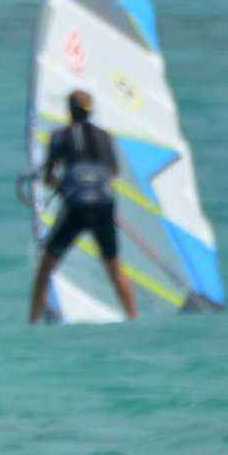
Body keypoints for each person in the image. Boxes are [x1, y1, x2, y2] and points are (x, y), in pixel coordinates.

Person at [28, 90, 138, 323]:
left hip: (76, 205)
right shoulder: (105, 136)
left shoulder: (59, 136)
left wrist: (63, 184)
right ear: (91, 111)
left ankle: (33, 322)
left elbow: (49, 178)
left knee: (46, 268)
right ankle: (133, 318)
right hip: (103, 204)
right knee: (114, 267)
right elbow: (113, 173)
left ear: (69, 111)